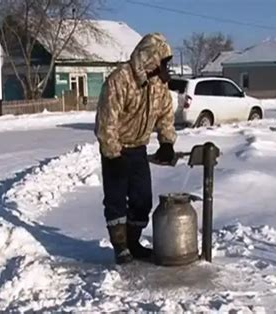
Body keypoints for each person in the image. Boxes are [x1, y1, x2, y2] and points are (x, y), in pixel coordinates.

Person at [95, 33, 177, 264]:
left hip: (139, 148)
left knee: (142, 201)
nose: (166, 67)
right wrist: (112, 154)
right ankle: (120, 246)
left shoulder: (159, 85)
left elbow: (165, 114)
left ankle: (133, 242)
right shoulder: (120, 80)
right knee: (116, 200)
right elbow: (106, 120)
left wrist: (167, 142)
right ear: (150, 58)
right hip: (116, 149)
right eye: (163, 60)